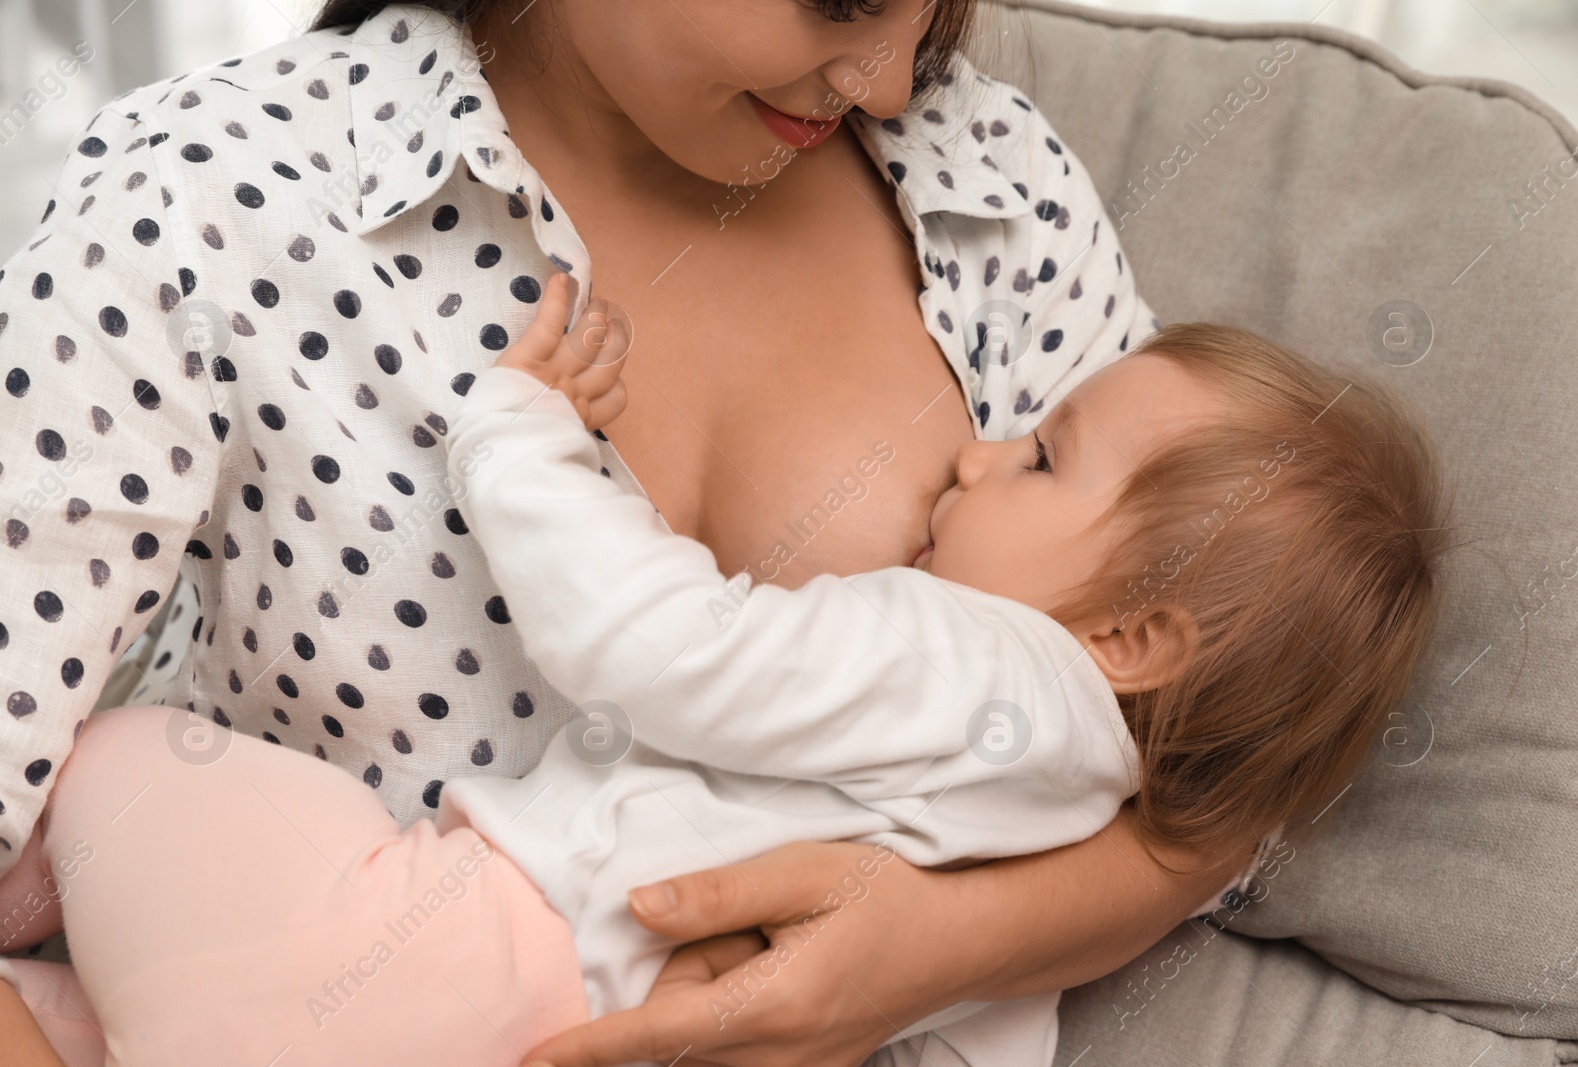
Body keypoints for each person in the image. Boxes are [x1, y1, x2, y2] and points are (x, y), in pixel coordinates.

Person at [0, 1, 1274, 1062]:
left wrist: (942, 945)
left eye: (929, 4)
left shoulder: (989, 185)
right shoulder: (214, 191)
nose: (889, 78)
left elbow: (1228, 753)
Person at [0, 272, 1446, 1067]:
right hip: (571, 1039)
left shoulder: (968, 650)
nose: (979, 449)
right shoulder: (1067, 819)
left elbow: (664, 646)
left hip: (449, 953)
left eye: (1045, 455)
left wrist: (525, 436)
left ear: (1129, 638)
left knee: (130, 760)